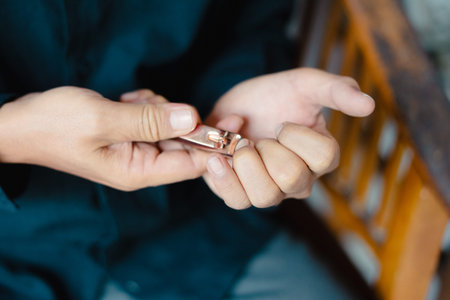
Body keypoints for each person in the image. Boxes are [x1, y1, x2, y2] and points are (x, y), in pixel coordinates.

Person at [0, 1, 374, 299]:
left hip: (194, 226)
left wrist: (240, 92)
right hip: (19, 255)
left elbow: (249, 21)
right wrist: (12, 133)